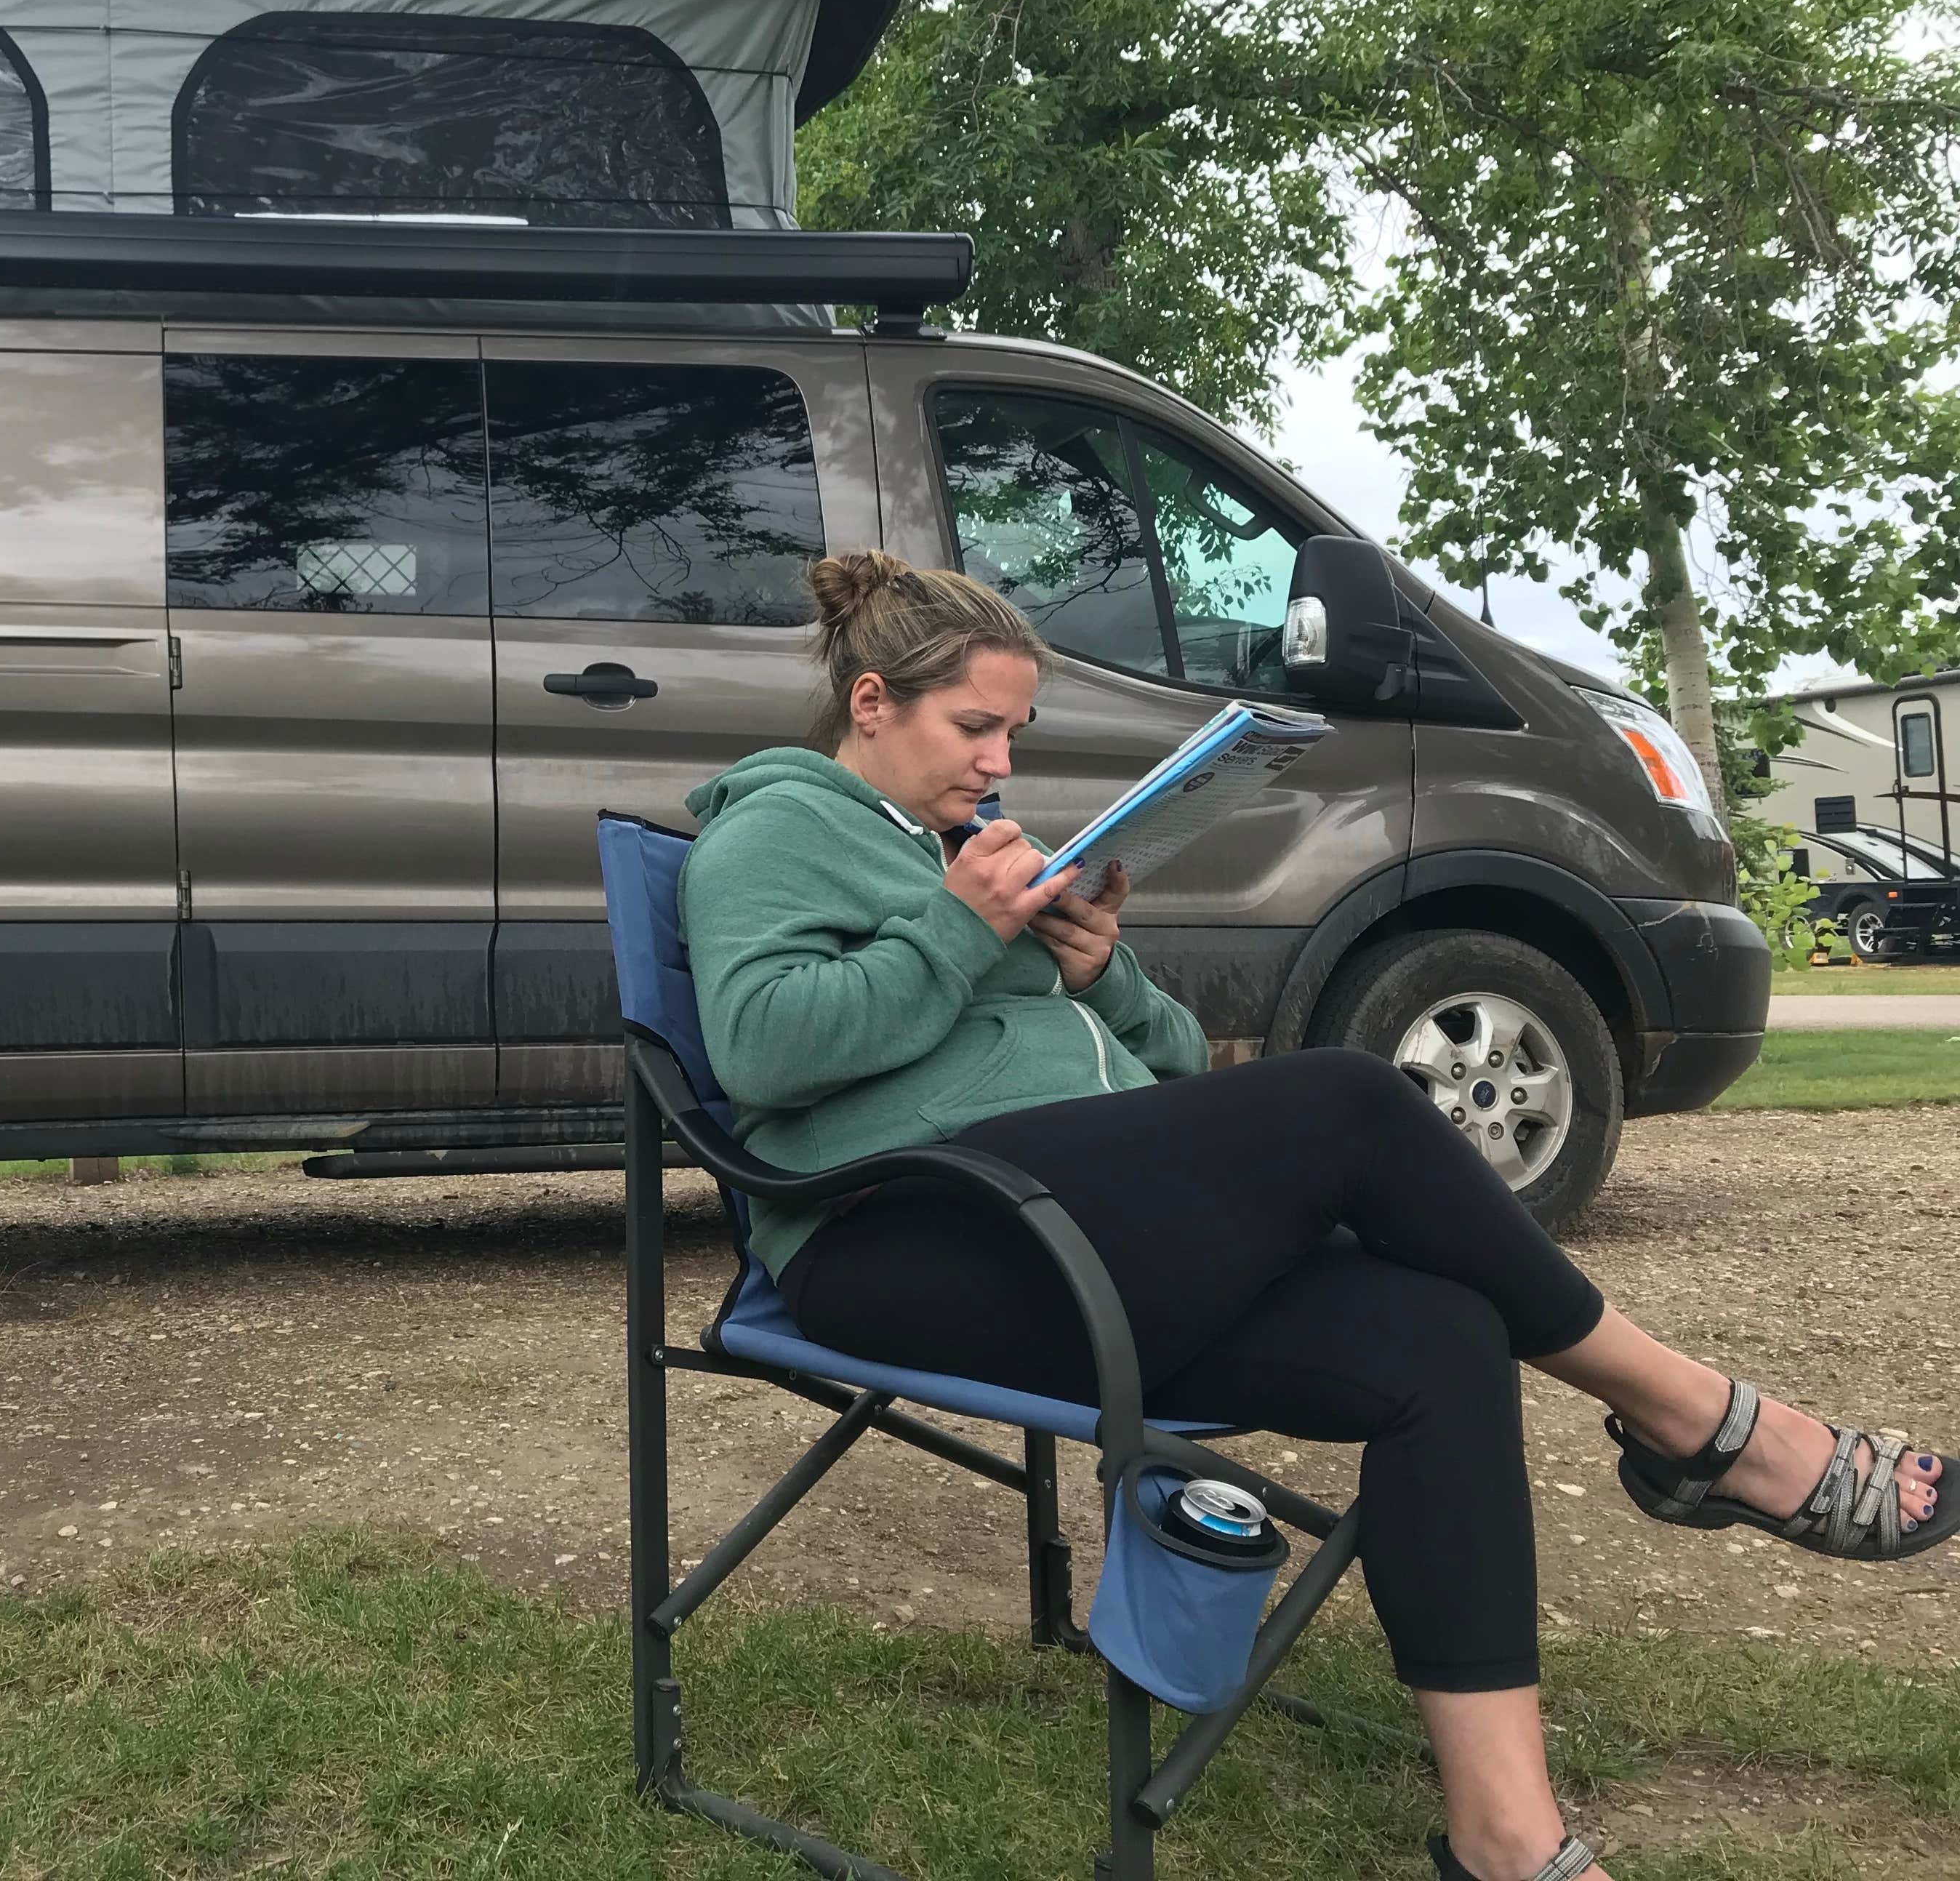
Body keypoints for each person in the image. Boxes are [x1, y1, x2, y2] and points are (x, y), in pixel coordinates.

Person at [677, 548, 1951, 1881]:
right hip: (909, 1243)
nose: (1001, 762)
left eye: (1016, 732)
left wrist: (1102, 977)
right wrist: (951, 931)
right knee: (1349, 1101)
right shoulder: (783, 826)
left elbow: (1166, 1065)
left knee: (1440, 1336)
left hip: (1078, 1234)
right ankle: (1705, 1423)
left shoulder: (970, 852)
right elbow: (764, 1051)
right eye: (974, 728)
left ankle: (1508, 1840)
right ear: (871, 703)